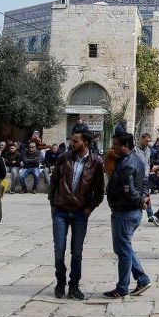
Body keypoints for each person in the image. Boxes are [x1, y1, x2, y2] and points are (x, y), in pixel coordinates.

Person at [47, 126, 105, 300]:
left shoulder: (96, 162)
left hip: (80, 212)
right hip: (61, 211)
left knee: (77, 252)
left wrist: (89, 209)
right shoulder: (64, 158)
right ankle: (60, 281)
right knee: (59, 250)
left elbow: (99, 191)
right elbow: (54, 182)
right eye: (72, 140)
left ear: (85, 143)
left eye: (75, 141)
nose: (72, 143)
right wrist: (52, 204)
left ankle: (74, 285)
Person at [103, 132, 153, 299]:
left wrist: (140, 200)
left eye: (116, 144)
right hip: (130, 211)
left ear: (125, 146)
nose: (113, 147)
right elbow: (145, 181)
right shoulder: (137, 160)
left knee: (123, 251)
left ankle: (123, 287)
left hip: (125, 212)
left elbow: (129, 190)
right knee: (123, 248)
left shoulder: (126, 164)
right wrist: (144, 196)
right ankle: (142, 278)